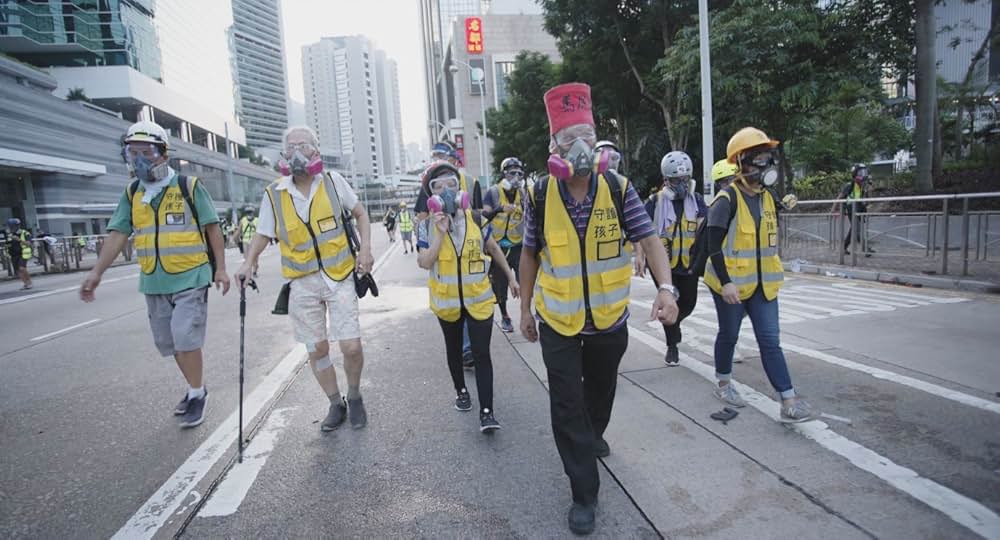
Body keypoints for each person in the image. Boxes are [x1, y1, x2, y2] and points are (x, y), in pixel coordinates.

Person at [519, 83, 680, 536]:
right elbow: (529, 253)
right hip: (559, 321)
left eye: (587, 134)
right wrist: (526, 309)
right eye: (569, 137)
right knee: (566, 404)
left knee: (601, 393)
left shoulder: (618, 186)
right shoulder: (539, 193)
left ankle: (594, 432)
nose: (580, 146)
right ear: (554, 147)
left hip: (610, 319)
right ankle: (583, 493)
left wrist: (666, 290)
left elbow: (649, 238)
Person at [80, 120, 230, 428]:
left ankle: (197, 394)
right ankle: (194, 388)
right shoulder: (133, 192)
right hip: (154, 279)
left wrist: (222, 269)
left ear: (163, 154)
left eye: (145, 152)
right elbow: (118, 234)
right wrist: (96, 273)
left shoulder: (188, 186)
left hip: (191, 275)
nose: (138, 160)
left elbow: (212, 227)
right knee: (171, 344)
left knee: (185, 337)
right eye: (131, 153)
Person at [236, 125, 373, 431]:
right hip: (302, 281)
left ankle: (354, 395)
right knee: (317, 349)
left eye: (303, 145)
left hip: (338, 277)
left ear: (315, 150)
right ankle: (335, 403)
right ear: (284, 154)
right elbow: (262, 233)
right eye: (290, 146)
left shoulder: (334, 183)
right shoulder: (274, 194)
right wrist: (248, 263)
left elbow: (361, 214)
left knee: (351, 346)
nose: (296, 151)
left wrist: (365, 250)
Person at [703, 126, 815, 424]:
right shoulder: (726, 200)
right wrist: (726, 282)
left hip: (764, 286)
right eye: (759, 160)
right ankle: (725, 384)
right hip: (731, 286)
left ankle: (788, 401)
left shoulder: (767, 198)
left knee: (769, 340)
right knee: (729, 334)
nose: (766, 166)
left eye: (769, 159)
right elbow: (712, 245)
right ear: (741, 163)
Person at [417, 160, 519, 432]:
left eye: (452, 184)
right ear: (431, 196)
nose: (447, 191)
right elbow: (425, 262)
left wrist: (510, 276)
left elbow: (494, 248)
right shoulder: (425, 226)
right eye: (439, 187)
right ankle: (462, 391)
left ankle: (487, 412)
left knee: (482, 354)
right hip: (447, 302)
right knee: (453, 350)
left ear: (461, 189)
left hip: (478, 300)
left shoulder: (476, 218)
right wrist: (439, 233)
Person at [635, 151, 708, 365]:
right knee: (669, 301)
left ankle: (674, 324)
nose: (682, 184)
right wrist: (639, 256)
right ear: (666, 180)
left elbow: (704, 229)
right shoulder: (654, 202)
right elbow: (641, 232)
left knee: (689, 302)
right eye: (677, 180)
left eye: (685, 179)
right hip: (662, 264)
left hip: (688, 262)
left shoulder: (697, 201)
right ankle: (672, 346)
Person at [415, 141, 476, 368]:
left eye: (446, 156)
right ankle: (462, 348)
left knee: (470, 304)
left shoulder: (467, 182)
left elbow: (476, 217)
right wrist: (430, 236)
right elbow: (422, 219)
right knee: (454, 312)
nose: (442, 159)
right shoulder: (428, 184)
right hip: (443, 261)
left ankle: (468, 349)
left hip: (468, 260)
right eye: (437, 155)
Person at [482, 156, 526, 333]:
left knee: (525, 280)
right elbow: (483, 218)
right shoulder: (492, 192)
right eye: (511, 173)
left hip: (518, 245)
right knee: (499, 284)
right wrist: (499, 209)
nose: (515, 177)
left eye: (519, 173)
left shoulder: (523, 194)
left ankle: (525, 312)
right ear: (504, 174)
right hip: (498, 247)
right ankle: (505, 315)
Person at [832, 163, 873, 257]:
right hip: (851, 209)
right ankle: (865, 249)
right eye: (861, 173)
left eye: (865, 172)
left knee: (854, 230)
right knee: (856, 229)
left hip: (859, 208)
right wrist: (833, 210)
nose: (864, 175)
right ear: (855, 174)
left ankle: (844, 248)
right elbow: (839, 197)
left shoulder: (862, 185)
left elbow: (866, 200)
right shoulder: (849, 185)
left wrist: (868, 189)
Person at [6, 218, 33, 289]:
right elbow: (8, 245)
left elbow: (29, 243)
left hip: (23, 253)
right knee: (18, 271)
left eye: (11, 226)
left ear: (16, 226)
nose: (10, 228)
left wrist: (19, 239)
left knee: (22, 268)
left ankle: (29, 282)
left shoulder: (25, 233)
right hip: (13, 255)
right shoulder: (10, 235)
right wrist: (7, 253)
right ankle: (25, 284)